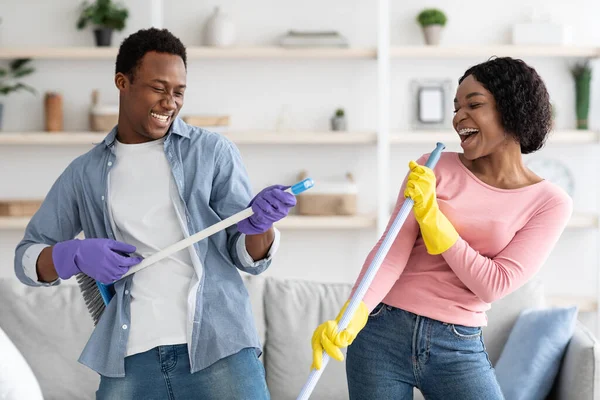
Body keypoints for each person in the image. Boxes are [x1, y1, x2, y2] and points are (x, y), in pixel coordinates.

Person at [14, 28, 296, 399]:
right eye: (158, 88)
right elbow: (27, 261)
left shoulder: (212, 152)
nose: (170, 102)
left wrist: (261, 224)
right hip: (131, 358)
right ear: (123, 82)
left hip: (220, 348)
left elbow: (248, 256)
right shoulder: (84, 173)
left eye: (178, 92)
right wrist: (75, 256)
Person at [310, 56, 573, 399]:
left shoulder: (549, 202)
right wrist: (353, 312)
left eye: (473, 104)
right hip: (380, 335)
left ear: (511, 110)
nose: (458, 117)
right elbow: (390, 253)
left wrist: (435, 222)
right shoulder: (431, 169)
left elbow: (493, 284)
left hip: (458, 347)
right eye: (456, 107)